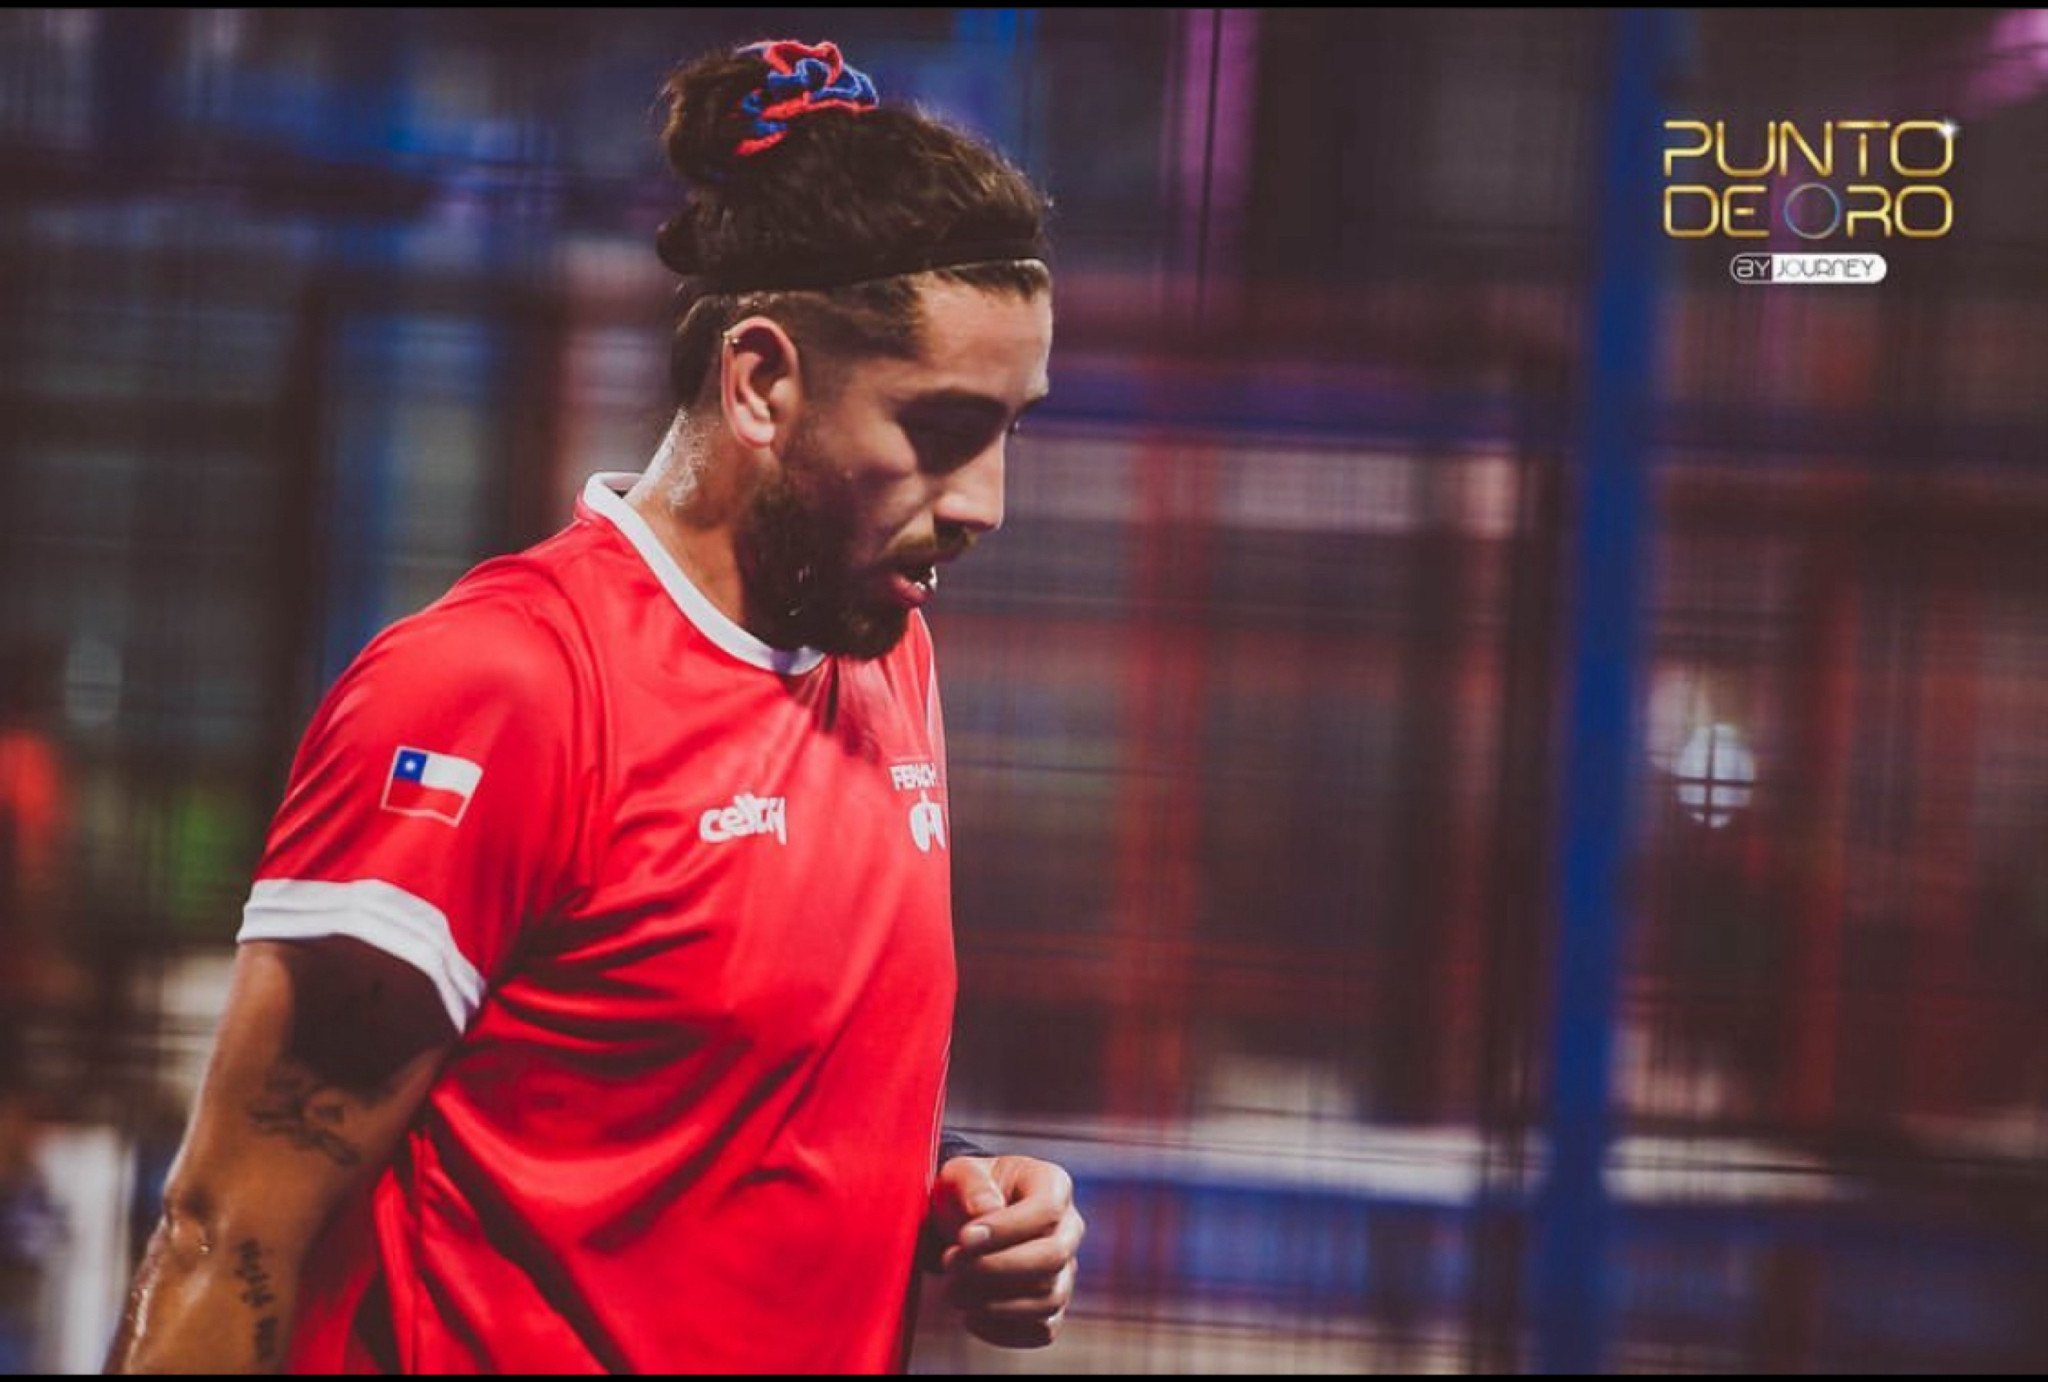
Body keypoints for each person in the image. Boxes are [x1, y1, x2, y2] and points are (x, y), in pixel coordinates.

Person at [105, 38, 1082, 1374]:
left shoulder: (882, 649)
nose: (986, 504)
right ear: (761, 382)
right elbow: (231, 1231)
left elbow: (699, 1101)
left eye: (1013, 428)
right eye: (942, 429)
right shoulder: (498, 691)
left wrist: (954, 1189)